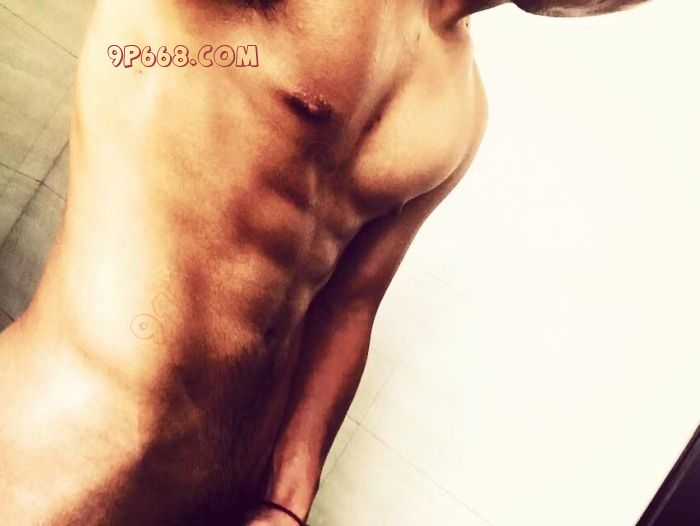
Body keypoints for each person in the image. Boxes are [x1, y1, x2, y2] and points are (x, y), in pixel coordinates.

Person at [0, 0, 650, 524]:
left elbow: (348, 307)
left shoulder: (462, 109)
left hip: (226, 497)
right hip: (63, 451)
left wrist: (287, 500)